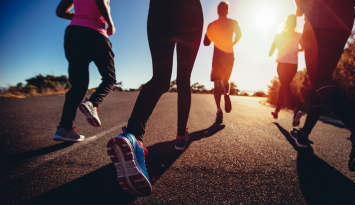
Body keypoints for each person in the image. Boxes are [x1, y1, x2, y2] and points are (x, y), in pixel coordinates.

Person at [106, 0, 204, 196]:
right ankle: (180, 136)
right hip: (189, 9)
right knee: (184, 79)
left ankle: (133, 135)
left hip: (160, 8)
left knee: (160, 78)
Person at [291, 0, 355, 172]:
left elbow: (300, 7)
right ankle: (303, 134)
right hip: (343, 20)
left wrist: (300, 8)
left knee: (319, 79)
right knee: (321, 82)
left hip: (318, 18)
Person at [54, 0, 116, 142]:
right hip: (95, 33)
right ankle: (92, 103)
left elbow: (60, 12)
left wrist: (79, 15)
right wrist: (110, 23)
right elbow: (100, 1)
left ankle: (64, 128)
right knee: (109, 78)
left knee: (79, 85)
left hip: (74, 33)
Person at [204, 1, 241, 124]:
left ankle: (219, 109)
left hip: (217, 56)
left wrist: (211, 35)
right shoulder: (233, 22)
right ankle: (226, 94)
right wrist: (232, 43)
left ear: (217, 11)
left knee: (217, 83)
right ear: (227, 11)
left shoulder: (212, 25)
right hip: (229, 55)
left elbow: (206, 42)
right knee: (226, 80)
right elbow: (239, 34)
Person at [269, 14, 303, 126]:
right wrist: (297, 49)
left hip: (282, 64)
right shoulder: (299, 35)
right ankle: (276, 111)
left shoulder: (279, 35)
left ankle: (295, 110)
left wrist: (279, 47)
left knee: (285, 85)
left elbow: (271, 51)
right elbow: (303, 47)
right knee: (284, 86)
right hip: (293, 65)